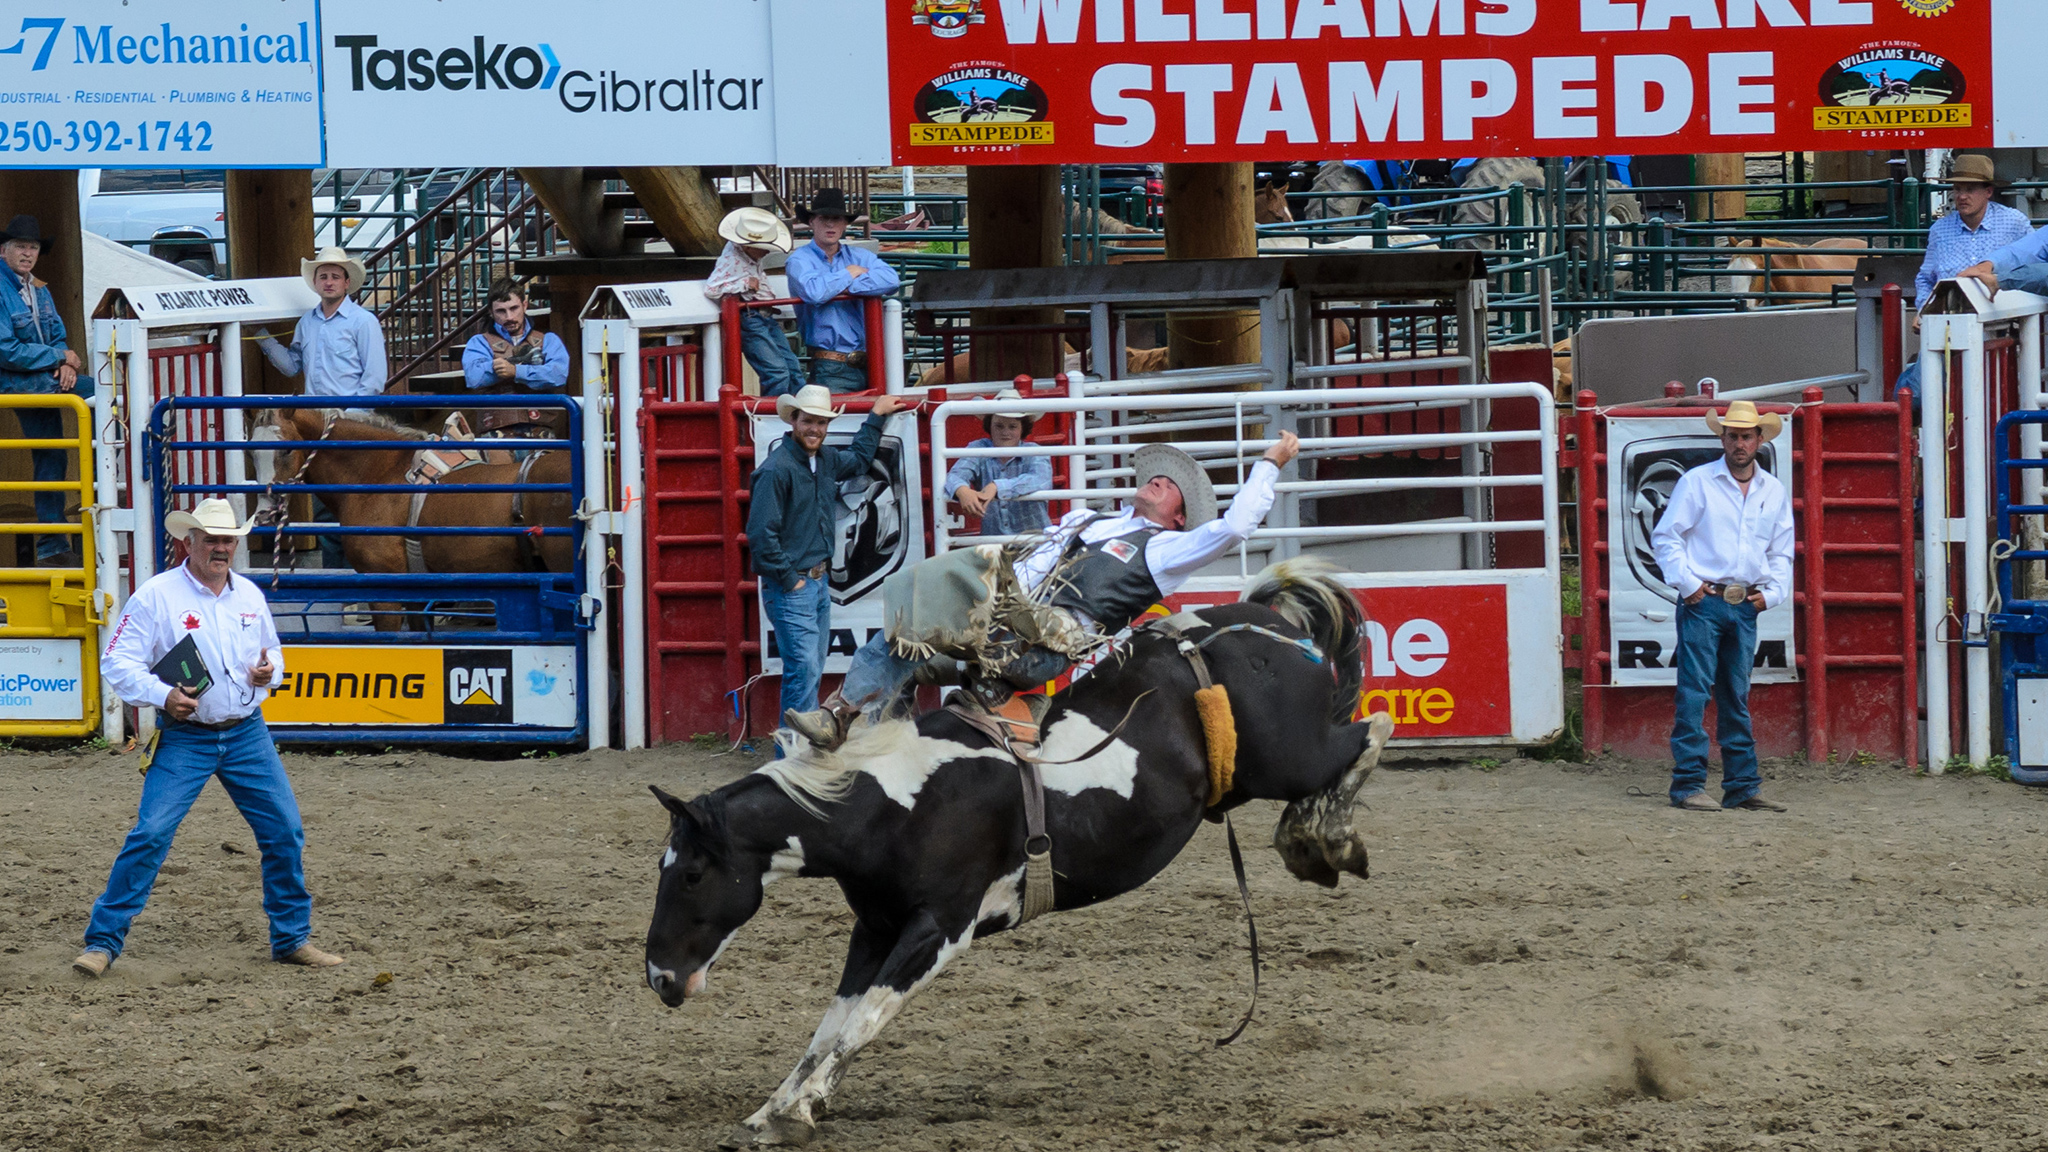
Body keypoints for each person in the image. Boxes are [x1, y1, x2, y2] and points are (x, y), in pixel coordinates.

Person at [787, 433, 1302, 752]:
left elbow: (1235, 528)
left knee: (930, 609)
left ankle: (869, 727)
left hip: (1040, 648)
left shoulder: (1166, 550)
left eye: (1168, 487)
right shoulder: (1086, 518)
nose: (1158, 482)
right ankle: (850, 727)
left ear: (1180, 517)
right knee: (897, 641)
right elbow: (1027, 568)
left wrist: (1270, 462)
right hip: (1005, 627)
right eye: (1156, 478)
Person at [75, 499, 345, 977]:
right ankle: (102, 941)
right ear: (189, 543)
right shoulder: (156, 597)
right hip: (187, 736)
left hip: (246, 733)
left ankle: (291, 938)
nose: (221, 548)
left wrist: (269, 672)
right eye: (212, 540)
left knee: (284, 831)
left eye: (227, 540)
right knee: (152, 834)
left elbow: (273, 653)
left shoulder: (248, 597)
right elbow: (117, 662)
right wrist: (163, 694)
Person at [1650, 401, 1794, 814]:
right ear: (1723, 439)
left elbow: (1782, 552)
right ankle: (1694, 785)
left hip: (1743, 601)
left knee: (1735, 693)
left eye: (1746, 436)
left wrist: (1773, 593)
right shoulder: (1698, 482)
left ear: (1759, 440)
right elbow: (1667, 537)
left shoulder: (1772, 491)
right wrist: (1690, 585)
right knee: (1696, 694)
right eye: (1733, 435)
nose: (1739, 443)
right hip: (1707, 599)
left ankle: (1740, 786)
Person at [746, 385, 911, 740]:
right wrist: (792, 580)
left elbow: (860, 458)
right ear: (794, 420)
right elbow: (760, 536)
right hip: (795, 586)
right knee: (803, 671)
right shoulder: (776, 471)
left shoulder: (823, 460)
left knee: (808, 670)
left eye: (821, 423)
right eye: (809, 421)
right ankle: (796, 757)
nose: (815, 429)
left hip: (814, 584)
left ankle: (798, 753)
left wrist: (876, 416)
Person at [1892, 156, 2034, 406]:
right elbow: (1926, 277)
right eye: (1957, 189)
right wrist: (1924, 309)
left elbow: (2032, 266)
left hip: (2000, 322)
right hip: (1949, 322)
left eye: (1969, 189)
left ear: (1988, 192)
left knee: (1988, 396)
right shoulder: (1940, 230)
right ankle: (1914, 383)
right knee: (1917, 396)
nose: (1962, 196)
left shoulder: (2014, 223)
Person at [0, 215, 90, 567]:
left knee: (52, 453)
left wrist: (65, 363)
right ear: (3, 250)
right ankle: (100, 499)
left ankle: (53, 544)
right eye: (21, 246)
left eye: (33, 247)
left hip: (41, 376)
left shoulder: (38, 286)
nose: (28, 253)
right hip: (12, 379)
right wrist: (59, 357)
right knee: (102, 396)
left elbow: (57, 335)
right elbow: (5, 350)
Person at [784, 188, 900, 394]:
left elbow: (891, 280)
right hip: (832, 364)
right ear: (811, 222)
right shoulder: (799, 260)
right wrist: (849, 273)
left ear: (845, 224)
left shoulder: (859, 255)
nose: (830, 224)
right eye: (824, 218)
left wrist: (844, 286)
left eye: (836, 218)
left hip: (874, 359)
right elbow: (815, 292)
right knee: (835, 422)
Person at [258, 246, 389, 404]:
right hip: (315, 415)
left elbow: (374, 376)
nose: (329, 283)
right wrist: (261, 334)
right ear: (315, 282)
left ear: (346, 282)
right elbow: (291, 366)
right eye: (323, 277)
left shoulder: (364, 322)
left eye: (335, 277)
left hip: (350, 416)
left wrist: (355, 414)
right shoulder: (306, 322)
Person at [704, 207, 805, 398]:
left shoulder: (744, 256)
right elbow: (712, 289)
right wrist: (745, 284)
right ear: (749, 245)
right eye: (764, 246)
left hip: (759, 314)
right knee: (778, 372)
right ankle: (778, 414)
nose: (767, 251)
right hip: (751, 317)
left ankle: (791, 412)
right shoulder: (733, 260)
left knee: (791, 369)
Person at [943, 388, 1051, 539]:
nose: (1005, 432)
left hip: (1034, 542)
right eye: (999, 426)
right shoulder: (979, 448)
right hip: (994, 544)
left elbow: (1041, 479)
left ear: (1022, 429)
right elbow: (955, 475)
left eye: (1012, 426)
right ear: (990, 426)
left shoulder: (1034, 452)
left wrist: (996, 486)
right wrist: (962, 491)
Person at [461, 278, 568, 393]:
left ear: (524, 305)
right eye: (501, 311)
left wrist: (516, 371)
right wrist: (512, 366)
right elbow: (474, 378)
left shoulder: (549, 340)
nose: (509, 317)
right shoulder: (479, 342)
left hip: (541, 409)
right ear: (491, 312)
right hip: (498, 409)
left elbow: (558, 376)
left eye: (514, 308)